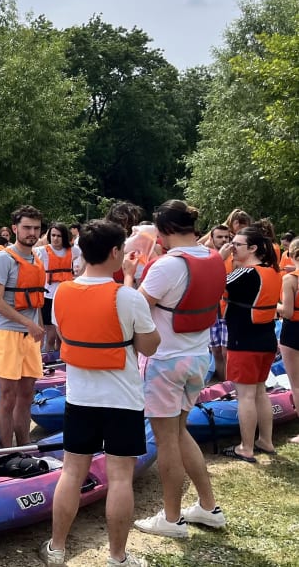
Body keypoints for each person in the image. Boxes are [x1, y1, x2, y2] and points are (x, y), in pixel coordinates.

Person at [40, 219, 159, 567]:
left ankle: (57, 548)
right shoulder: (127, 296)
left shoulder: (61, 292)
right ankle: (117, 557)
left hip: (80, 399)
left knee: (71, 473)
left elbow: (64, 331)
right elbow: (150, 346)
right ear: (115, 252)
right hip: (122, 401)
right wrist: (132, 281)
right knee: (120, 477)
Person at [134, 200, 227, 538]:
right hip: (198, 359)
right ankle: (207, 506)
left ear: (167, 230)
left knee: (166, 440)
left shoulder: (166, 266)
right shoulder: (215, 258)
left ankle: (171, 519)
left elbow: (135, 309)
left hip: (165, 362)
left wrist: (130, 275)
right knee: (180, 432)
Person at [0, 205, 47, 447]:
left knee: (26, 395)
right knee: (8, 396)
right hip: (6, 334)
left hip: (29, 337)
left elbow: (36, 302)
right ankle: (6, 452)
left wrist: (37, 327)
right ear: (14, 229)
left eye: (36, 228)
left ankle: (24, 447)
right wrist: (27, 323)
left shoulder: (37, 258)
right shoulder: (4, 258)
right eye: (26, 227)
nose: (31, 232)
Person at [220, 224, 279, 463]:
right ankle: (266, 440)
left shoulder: (244, 273)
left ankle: (246, 447)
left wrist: (219, 258)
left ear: (253, 248)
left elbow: (214, 283)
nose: (232, 247)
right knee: (260, 392)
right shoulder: (272, 271)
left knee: (244, 395)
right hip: (266, 339)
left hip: (243, 341)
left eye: (237, 244)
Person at [35, 223, 82, 353]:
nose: (55, 239)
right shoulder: (42, 251)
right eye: (53, 235)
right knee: (50, 335)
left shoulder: (74, 251)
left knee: (62, 333)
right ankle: (48, 357)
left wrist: (79, 276)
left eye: (59, 236)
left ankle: (60, 359)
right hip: (48, 295)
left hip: (65, 295)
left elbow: (87, 260)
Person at [277, 237, 299, 444]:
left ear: (291, 255)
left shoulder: (291, 279)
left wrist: (274, 306)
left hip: (294, 330)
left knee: (297, 383)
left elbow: (288, 311)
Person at [208, 224, 233, 381]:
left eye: (226, 237)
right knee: (215, 350)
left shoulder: (235, 257)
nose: (224, 240)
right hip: (210, 310)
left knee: (227, 351)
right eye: (219, 236)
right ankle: (223, 387)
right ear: (212, 239)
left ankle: (232, 387)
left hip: (228, 309)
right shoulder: (206, 257)